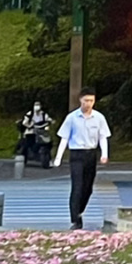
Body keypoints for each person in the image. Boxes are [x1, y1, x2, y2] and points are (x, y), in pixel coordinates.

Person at [52, 88, 110, 230]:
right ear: (80, 100)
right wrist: (58, 157)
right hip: (76, 154)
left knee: (87, 187)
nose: (88, 104)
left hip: (91, 154)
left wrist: (104, 154)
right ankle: (75, 219)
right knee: (77, 186)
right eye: (86, 101)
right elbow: (64, 138)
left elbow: (103, 137)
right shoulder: (72, 118)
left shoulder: (99, 118)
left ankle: (80, 210)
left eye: (91, 101)